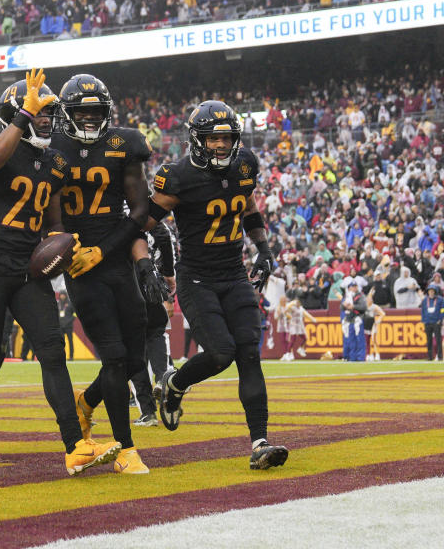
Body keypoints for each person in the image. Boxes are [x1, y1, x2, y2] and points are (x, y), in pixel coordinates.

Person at [0, 68, 121, 475]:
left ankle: (74, 446)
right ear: (15, 114)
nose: (47, 118)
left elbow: (54, 222)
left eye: (50, 112)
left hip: (28, 269)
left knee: (53, 353)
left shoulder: (53, 163)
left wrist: (63, 245)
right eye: (39, 112)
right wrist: (22, 117)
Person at [148, 100, 289, 470]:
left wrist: (263, 247)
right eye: (213, 139)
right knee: (221, 353)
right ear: (198, 140)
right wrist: (145, 261)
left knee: (248, 353)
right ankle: (175, 383)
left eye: (227, 138)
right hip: (196, 277)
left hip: (234, 274)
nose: (222, 146)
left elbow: (248, 206)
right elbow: (145, 221)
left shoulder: (245, 165)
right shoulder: (178, 175)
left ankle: (259, 442)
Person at [50, 73, 157, 474]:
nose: (91, 119)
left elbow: (141, 211)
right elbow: (52, 215)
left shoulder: (124, 143)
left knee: (133, 355)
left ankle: (86, 401)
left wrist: (105, 251)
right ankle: (125, 447)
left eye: (97, 112)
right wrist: (71, 250)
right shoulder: (53, 146)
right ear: (67, 114)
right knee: (113, 356)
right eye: (83, 112)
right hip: (78, 261)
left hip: (114, 256)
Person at [132, 222, 177, 427]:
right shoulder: (155, 217)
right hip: (154, 284)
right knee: (156, 333)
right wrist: (168, 274)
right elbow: (165, 237)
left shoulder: (117, 207)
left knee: (132, 352)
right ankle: (163, 377)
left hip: (127, 285)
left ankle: (148, 412)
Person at [341, 280, 367, 361]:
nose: (354, 288)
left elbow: (363, 307)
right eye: (352, 287)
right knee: (350, 340)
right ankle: (352, 357)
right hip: (349, 320)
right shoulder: (347, 296)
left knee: (359, 339)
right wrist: (343, 305)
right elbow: (341, 308)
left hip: (357, 319)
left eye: (355, 286)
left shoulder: (360, 296)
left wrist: (353, 307)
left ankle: (360, 357)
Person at [420, 284, 443, 361]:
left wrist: (440, 319)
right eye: (430, 291)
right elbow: (423, 311)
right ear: (428, 292)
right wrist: (423, 320)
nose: (431, 292)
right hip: (428, 322)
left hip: (436, 322)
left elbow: (442, 310)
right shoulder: (425, 300)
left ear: (435, 292)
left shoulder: (440, 300)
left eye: (433, 291)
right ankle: (430, 357)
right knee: (428, 340)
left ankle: (440, 356)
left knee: (438, 340)